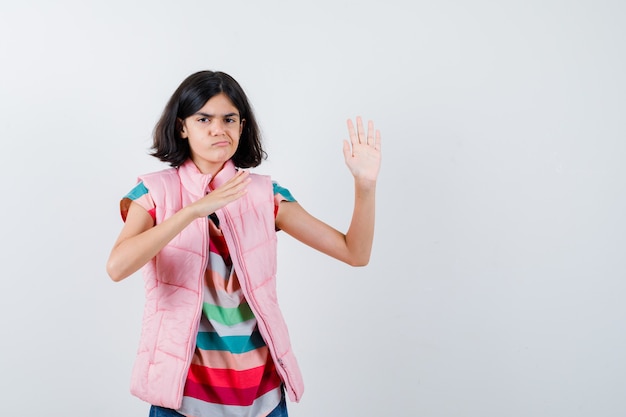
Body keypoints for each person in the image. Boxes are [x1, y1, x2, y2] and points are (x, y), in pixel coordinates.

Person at [106, 70, 382, 417]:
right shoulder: (154, 192)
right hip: (182, 399)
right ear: (182, 127)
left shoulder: (266, 195)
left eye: (229, 119)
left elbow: (354, 253)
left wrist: (365, 186)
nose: (217, 129)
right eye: (203, 118)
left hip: (261, 399)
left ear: (241, 126)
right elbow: (117, 266)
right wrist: (192, 211)